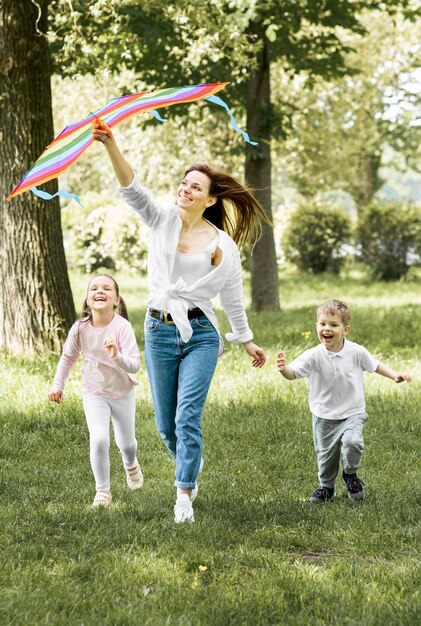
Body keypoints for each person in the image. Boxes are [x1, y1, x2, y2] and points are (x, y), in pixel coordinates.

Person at [92, 120, 267, 523]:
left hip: (201, 334)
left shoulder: (221, 244)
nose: (185, 190)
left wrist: (245, 339)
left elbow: (232, 297)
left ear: (208, 201)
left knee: (188, 415)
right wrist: (110, 145)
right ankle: (190, 461)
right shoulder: (162, 220)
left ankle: (183, 495)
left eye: (195, 188)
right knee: (165, 424)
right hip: (158, 330)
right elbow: (132, 189)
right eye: (184, 183)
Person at [277, 299, 412, 503]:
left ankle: (350, 474)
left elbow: (375, 365)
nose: (326, 329)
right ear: (316, 327)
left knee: (353, 442)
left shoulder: (356, 352)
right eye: (322, 324)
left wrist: (394, 375)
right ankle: (326, 488)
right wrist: (283, 369)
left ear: (345, 329)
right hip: (324, 415)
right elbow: (293, 373)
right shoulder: (313, 355)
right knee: (326, 456)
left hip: (353, 412)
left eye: (333, 325)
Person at [48, 274, 144, 507]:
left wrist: (116, 356)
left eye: (106, 288)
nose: (100, 291)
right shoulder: (80, 328)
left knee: (127, 444)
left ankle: (131, 464)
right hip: (94, 391)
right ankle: (103, 491)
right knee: (99, 438)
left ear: (116, 300)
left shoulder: (122, 327)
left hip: (122, 391)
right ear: (88, 300)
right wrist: (57, 385)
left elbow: (135, 364)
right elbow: (68, 357)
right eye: (94, 288)